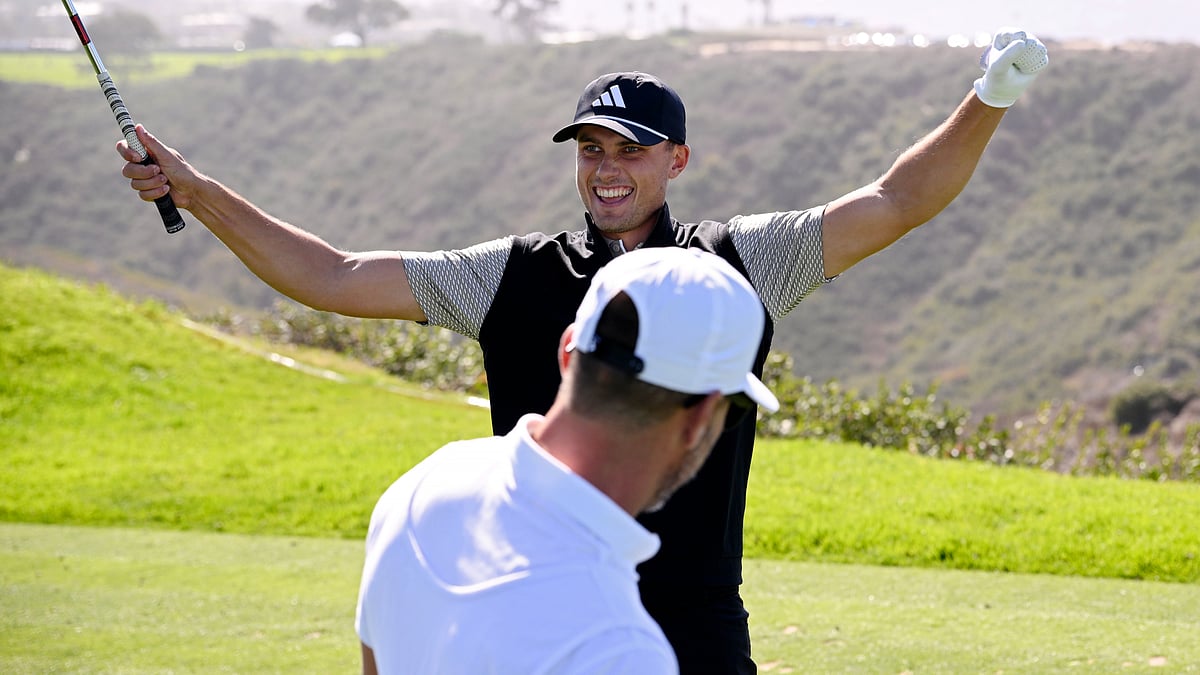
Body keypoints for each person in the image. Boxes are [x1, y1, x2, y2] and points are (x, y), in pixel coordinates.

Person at [118, 29, 1049, 673]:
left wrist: (988, 99)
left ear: (676, 161)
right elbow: (336, 273)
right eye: (590, 146)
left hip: (693, 621)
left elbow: (893, 202)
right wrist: (195, 192)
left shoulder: (737, 261)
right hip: (542, 597)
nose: (606, 166)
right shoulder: (511, 274)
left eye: (631, 150)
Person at [355, 246, 780, 674]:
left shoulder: (420, 486)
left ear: (567, 353)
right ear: (701, 418)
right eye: (735, 409)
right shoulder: (621, 650)